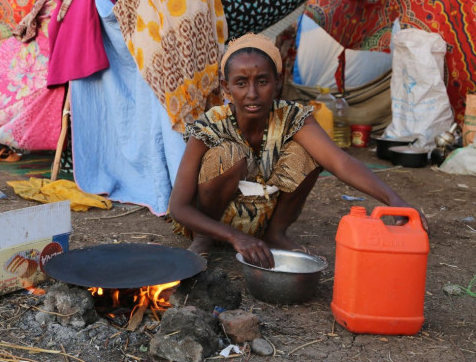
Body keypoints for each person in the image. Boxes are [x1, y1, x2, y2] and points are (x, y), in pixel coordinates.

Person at [168, 33, 428, 268]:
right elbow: (178, 207)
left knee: (308, 153)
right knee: (228, 156)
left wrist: (395, 201)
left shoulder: (292, 117)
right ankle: (204, 240)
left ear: (277, 82)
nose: (252, 93)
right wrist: (235, 236)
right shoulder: (211, 125)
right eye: (240, 83)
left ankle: (275, 235)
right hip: (211, 223)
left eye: (262, 81)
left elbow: (340, 163)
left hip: (261, 219)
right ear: (226, 88)